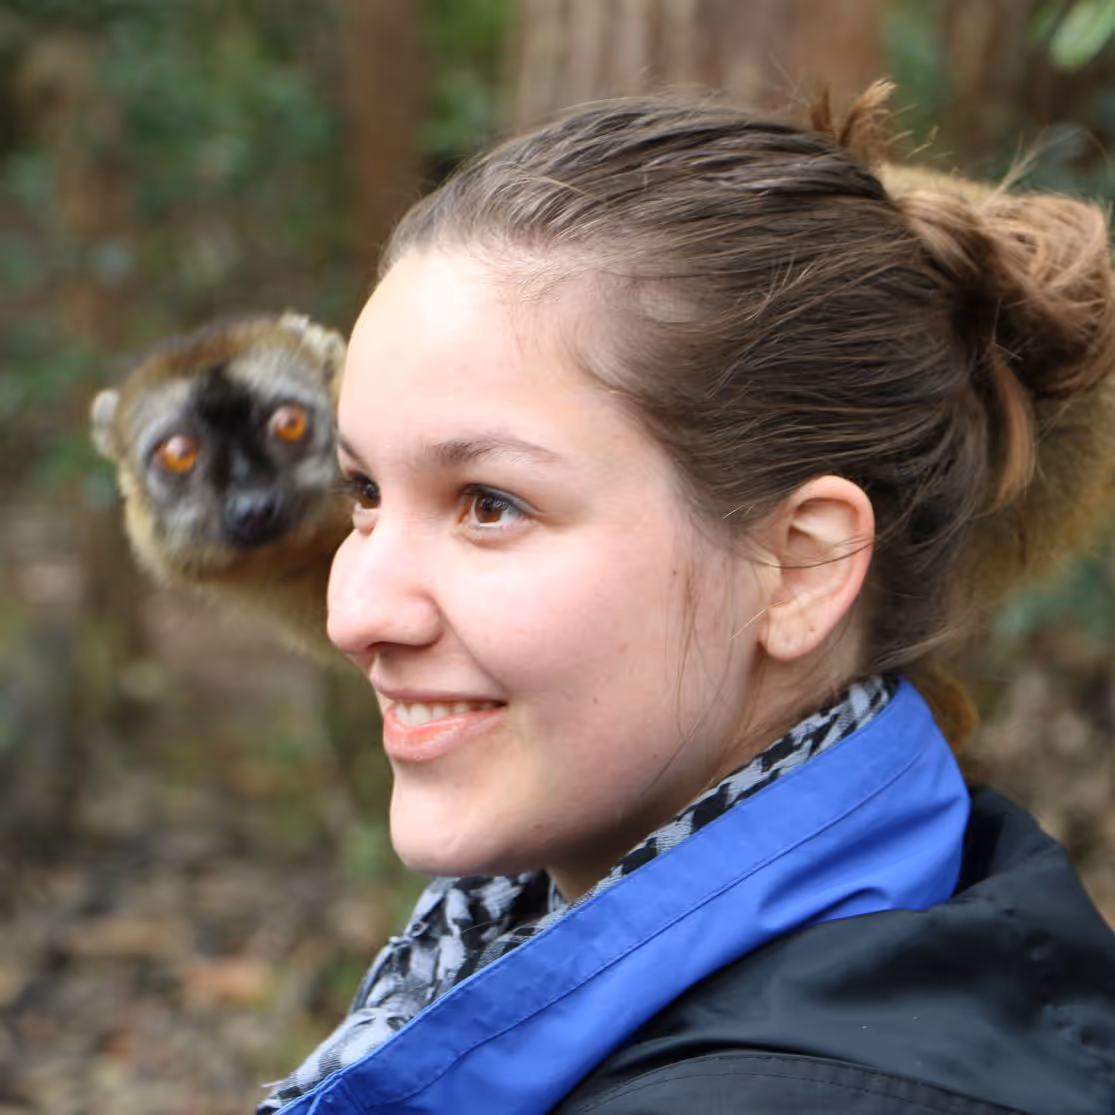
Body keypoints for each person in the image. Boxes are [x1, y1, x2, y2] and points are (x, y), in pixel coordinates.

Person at [259, 84, 1115, 1114]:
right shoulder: (965, 898)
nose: (353, 613)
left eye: (490, 503)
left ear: (797, 566)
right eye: (362, 491)